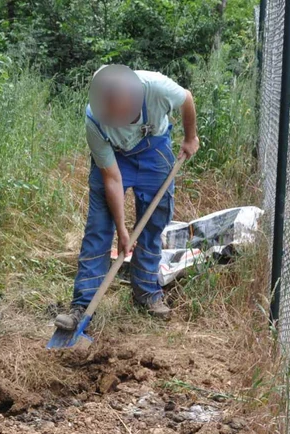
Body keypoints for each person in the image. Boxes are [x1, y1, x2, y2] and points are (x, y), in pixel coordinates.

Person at [55, 64, 199, 331]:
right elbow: (112, 177)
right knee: (99, 228)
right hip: (113, 158)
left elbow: (187, 99)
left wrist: (190, 137)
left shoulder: (156, 88)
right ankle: (83, 305)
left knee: (153, 221)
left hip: (153, 149)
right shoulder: (94, 119)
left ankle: (146, 294)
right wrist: (121, 229)